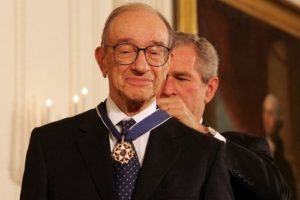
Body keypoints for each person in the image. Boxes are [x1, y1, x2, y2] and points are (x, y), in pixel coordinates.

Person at [20, 3, 233, 200]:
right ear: (102, 59)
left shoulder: (204, 154)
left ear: (167, 63)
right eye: (125, 51)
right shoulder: (50, 144)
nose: (141, 66)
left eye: (155, 52)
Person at [157, 31, 291, 200]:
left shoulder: (244, 147)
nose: (167, 89)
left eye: (181, 78)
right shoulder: (131, 138)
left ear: (210, 89)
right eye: (161, 77)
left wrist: (202, 132)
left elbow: (278, 194)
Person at [262, 93, 297, 199]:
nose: (268, 119)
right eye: (266, 113)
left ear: (278, 121)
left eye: (271, 113)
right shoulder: (257, 150)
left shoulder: (286, 166)